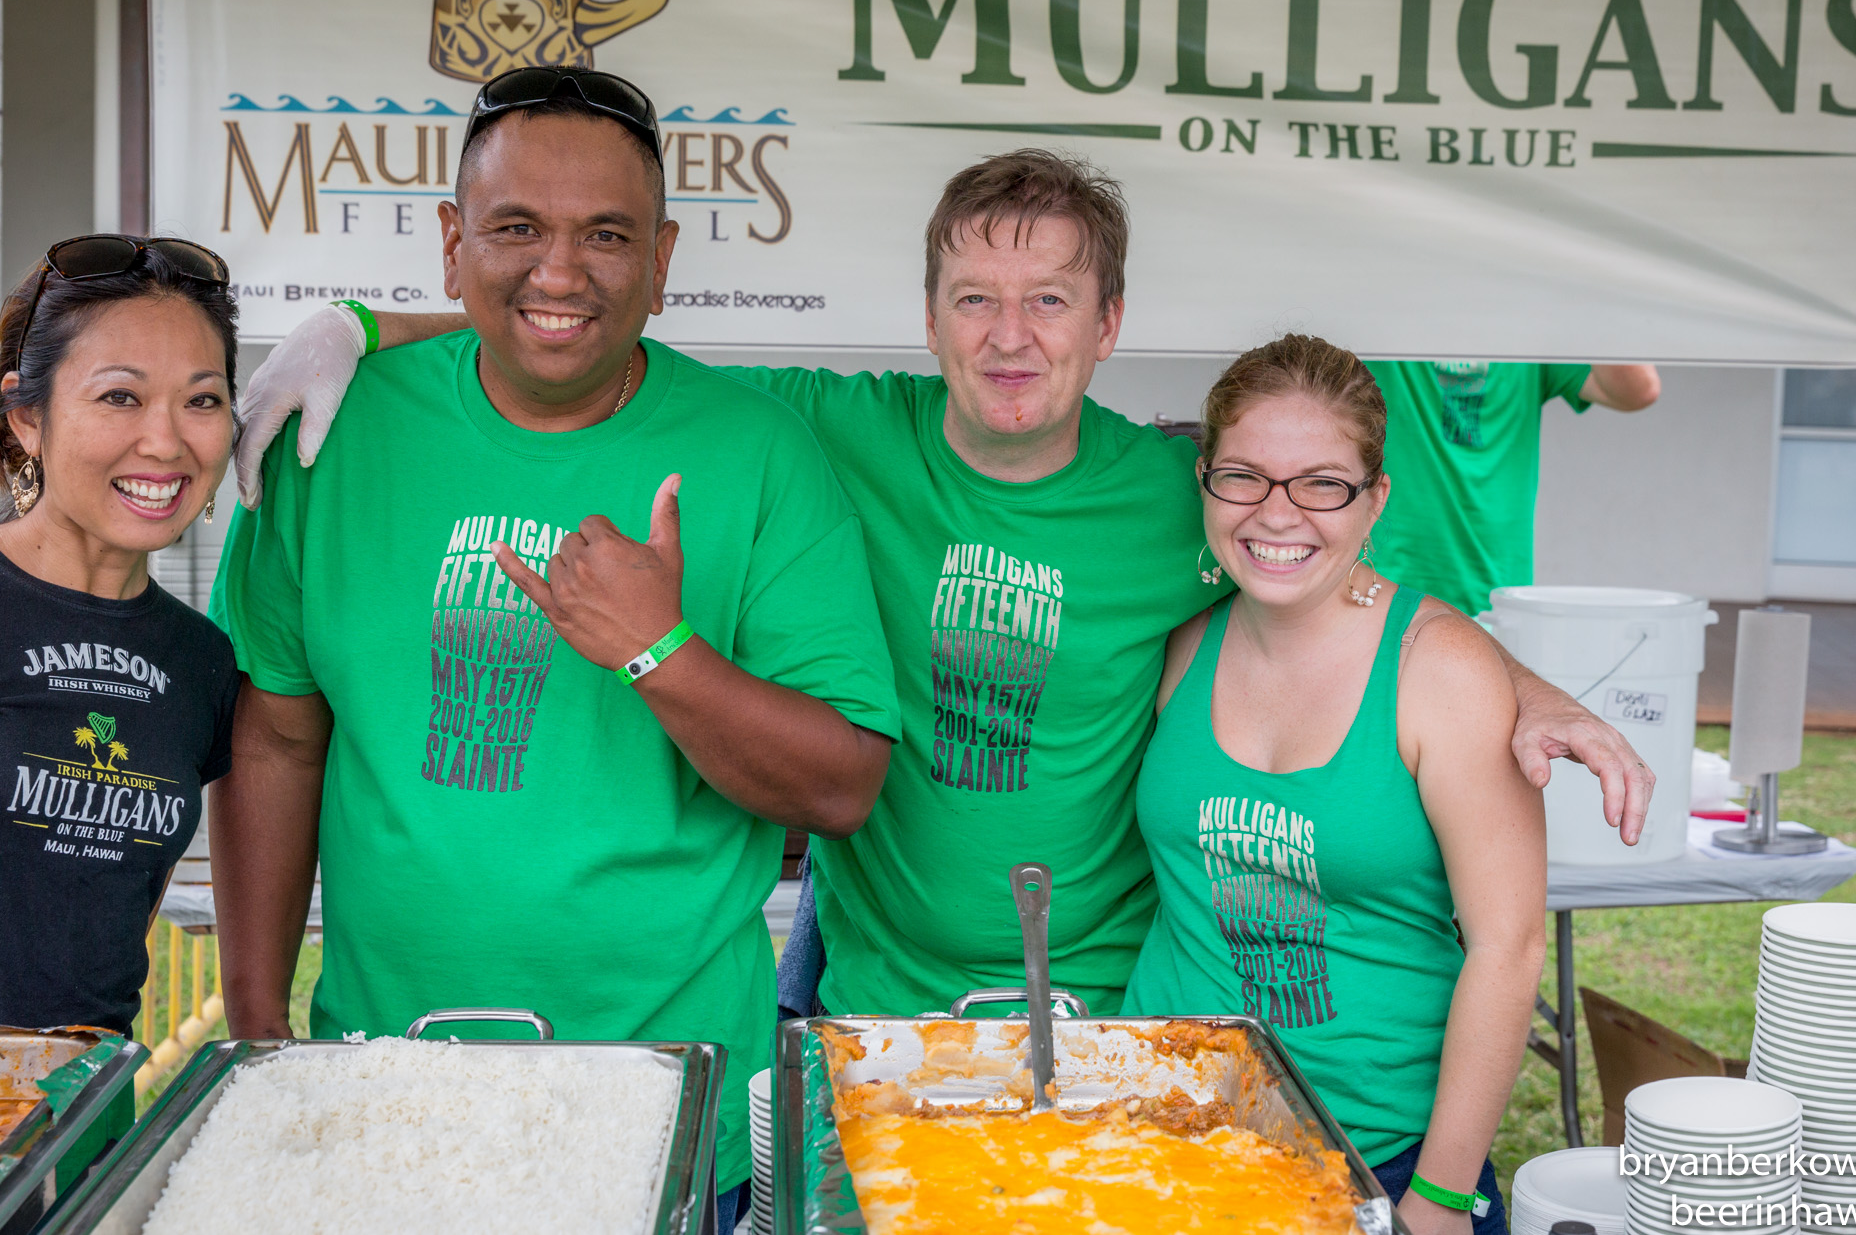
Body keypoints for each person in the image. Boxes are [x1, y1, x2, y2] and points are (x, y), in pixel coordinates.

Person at [230, 149, 1653, 1026]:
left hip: (1099, 994)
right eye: (975, 299)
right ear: (927, 319)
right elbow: (582, 324)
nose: (1009, 337)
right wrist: (359, 323)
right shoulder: (828, 436)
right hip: (866, 985)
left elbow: (1346, 583)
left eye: (1049, 302)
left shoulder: (1179, 492)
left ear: (1108, 323)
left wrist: (1524, 691)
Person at [206, 67, 898, 1232]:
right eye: (516, 228)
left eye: (606, 235)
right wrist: (257, 1019)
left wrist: (660, 651)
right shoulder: (332, 434)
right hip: (379, 1084)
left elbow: (841, 787)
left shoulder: (759, 450)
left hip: (667, 1104)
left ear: (662, 261)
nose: (560, 272)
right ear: (451, 243)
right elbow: (276, 737)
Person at [1125, 335, 1545, 1235]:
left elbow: (1507, 948)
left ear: (1375, 497)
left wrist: (1440, 1195)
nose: (1278, 513)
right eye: (1244, 477)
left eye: (1322, 483)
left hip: (1375, 1155)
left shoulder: (1442, 669)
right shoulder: (1182, 644)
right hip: (1167, 1141)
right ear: (1205, 481)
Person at [0, 234, 241, 1191]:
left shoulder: (201, 663)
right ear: (25, 416)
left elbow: (112, 913)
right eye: (120, 397)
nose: (167, 442)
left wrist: (354, 327)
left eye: (203, 400)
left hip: (87, 1114)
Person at [1367, 360, 1660, 615]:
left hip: (1498, 602)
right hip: (1384, 591)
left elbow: (1638, 391)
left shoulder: (1531, 326)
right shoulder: (1390, 324)